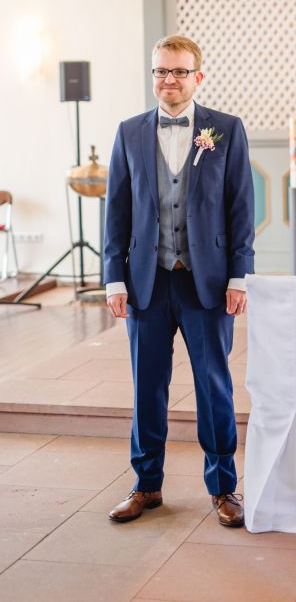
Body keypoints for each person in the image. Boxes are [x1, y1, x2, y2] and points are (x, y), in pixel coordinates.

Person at [103, 34, 254, 527]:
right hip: (146, 283)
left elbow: (241, 208)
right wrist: (114, 279)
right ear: (153, 75)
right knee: (147, 387)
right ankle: (146, 484)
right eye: (161, 71)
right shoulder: (129, 132)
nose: (169, 80)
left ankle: (224, 487)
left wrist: (239, 276)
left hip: (205, 281)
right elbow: (116, 211)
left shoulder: (225, 130)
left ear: (198, 76)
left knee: (214, 387)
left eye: (179, 71)